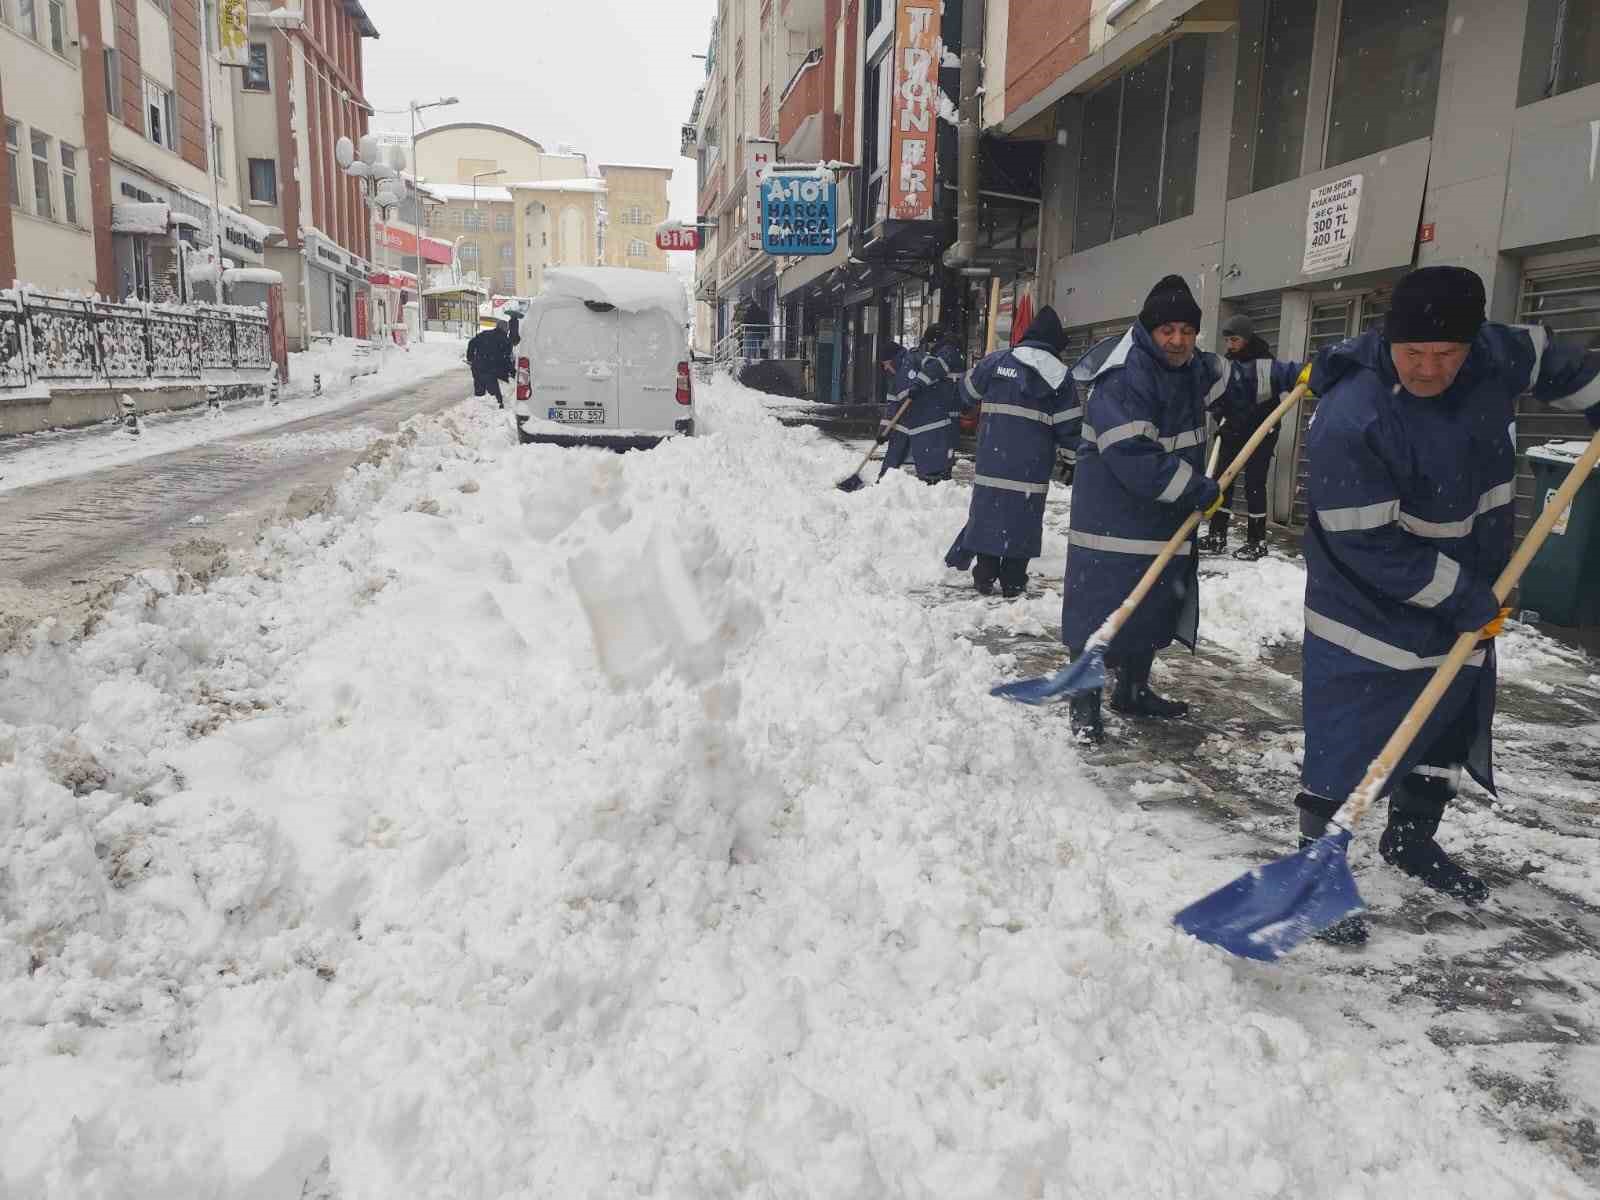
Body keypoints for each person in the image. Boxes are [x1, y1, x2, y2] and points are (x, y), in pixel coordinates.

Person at [1296, 265, 1600, 941]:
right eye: (1415, 354)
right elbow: (1365, 543)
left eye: (1447, 354)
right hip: (1366, 608)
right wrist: (1462, 595)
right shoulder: (1355, 414)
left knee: (1446, 723)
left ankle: (1411, 837)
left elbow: (1557, 357)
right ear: (1389, 341)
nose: (1431, 369)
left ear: (1472, 344)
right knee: (1350, 738)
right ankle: (1316, 871)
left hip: (1470, 585)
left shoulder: (1494, 354)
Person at [1060, 275, 1228, 745]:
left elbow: (1244, 378)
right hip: (1112, 526)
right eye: (1167, 330)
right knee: (1099, 614)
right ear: (1149, 331)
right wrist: (1197, 488)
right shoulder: (1124, 377)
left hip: (1160, 521)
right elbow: (1134, 456)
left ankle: (1132, 691)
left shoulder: (1192, 367)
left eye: (1187, 331)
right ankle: (1084, 708)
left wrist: (1303, 374)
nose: (1178, 340)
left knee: (1150, 607)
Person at [943, 307, 1080, 597]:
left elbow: (966, 394)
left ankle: (985, 572)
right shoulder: (1060, 377)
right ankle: (1014, 579)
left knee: (987, 514)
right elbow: (1070, 427)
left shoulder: (996, 362)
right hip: (1031, 468)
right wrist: (1071, 461)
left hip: (993, 460)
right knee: (1024, 520)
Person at [1199, 313, 1303, 560]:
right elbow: (1217, 396)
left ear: (1246, 338)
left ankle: (1257, 542)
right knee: (1221, 482)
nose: (1230, 345)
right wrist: (1219, 414)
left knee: (1255, 485)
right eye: (1227, 340)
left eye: (1234, 339)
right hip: (1231, 431)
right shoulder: (1226, 365)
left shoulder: (1267, 364)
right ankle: (1217, 536)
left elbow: (1289, 377)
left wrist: (1307, 373)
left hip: (1260, 433)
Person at [900, 325, 965, 483]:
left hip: (949, 407)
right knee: (945, 444)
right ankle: (942, 475)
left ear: (934, 340)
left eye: (928, 343)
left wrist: (918, 385)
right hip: (948, 405)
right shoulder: (950, 350)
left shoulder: (948, 351)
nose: (928, 347)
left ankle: (941, 477)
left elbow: (935, 369)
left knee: (945, 443)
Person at [466, 307, 521, 408]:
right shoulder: (505, 341)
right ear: (506, 329)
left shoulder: (485, 334)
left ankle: (478, 412)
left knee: (479, 395)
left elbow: (471, 343)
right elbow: (506, 359)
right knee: (496, 398)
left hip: (477, 367)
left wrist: (470, 358)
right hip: (489, 370)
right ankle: (497, 409)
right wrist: (513, 372)